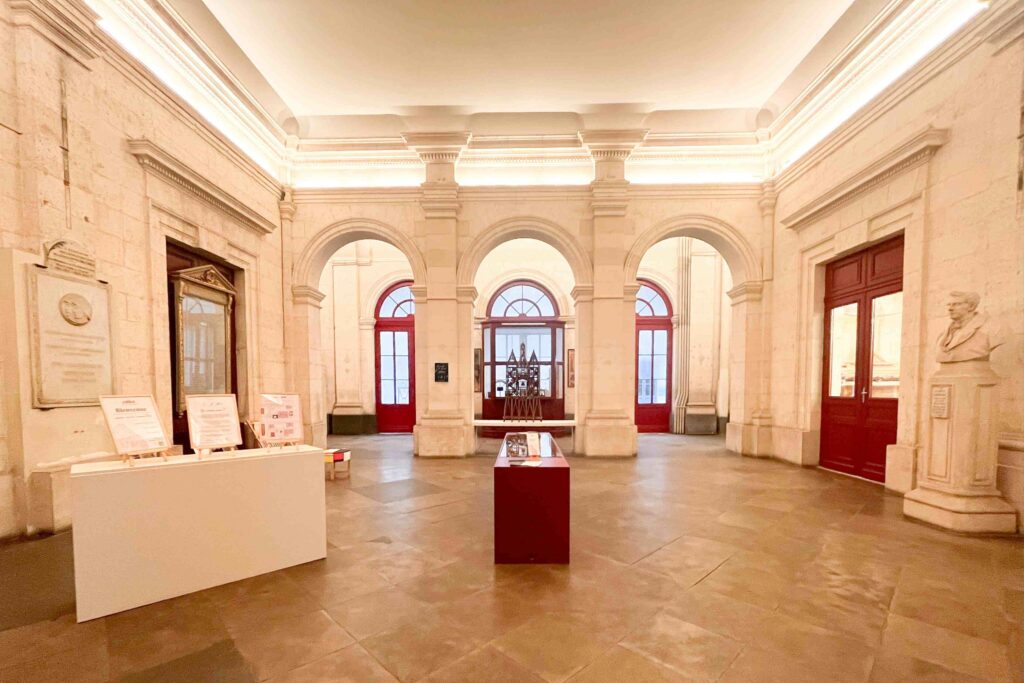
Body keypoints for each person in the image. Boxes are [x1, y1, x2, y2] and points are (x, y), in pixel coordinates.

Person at [936, 291, 1002, 363]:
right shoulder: (943, 334)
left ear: (971, 307)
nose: (950, 308)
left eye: (957, 304)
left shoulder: (991, 329)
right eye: (949, 304)